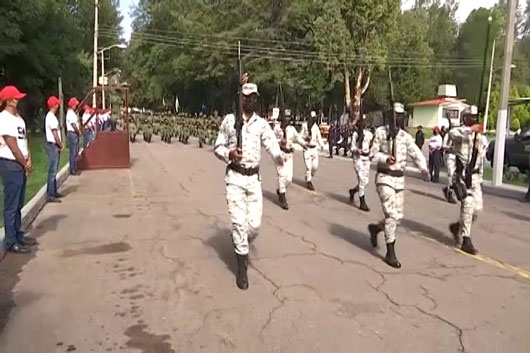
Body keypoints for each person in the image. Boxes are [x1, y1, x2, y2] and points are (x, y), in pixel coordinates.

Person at [214, 81, 284, 290]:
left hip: (254, 180)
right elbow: (217, 146)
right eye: (246, 97)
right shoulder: (229, 121)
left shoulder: (261, 124)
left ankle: (240, 241)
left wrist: (279, 156)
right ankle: (241, 267)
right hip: (235, 178)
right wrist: (229, 154)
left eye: (254, 97)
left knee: (253, 226)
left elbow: (271, 143)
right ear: (240, 98)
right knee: (238, 223)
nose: (250, 100)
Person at [368, 103, 429, 268]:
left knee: (397, 217)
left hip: (399, 180)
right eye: (395, 117)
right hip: (384, 178)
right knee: (391, 215)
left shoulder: (405, 137)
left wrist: (423, 168)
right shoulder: (381, 133)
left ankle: (376, 229)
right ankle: (390, 252)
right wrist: (385, 158)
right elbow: (371, 155)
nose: (397, 121)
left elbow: (416, 153)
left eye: (400, 117)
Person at [0, 86, 37, 253]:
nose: (18, 100)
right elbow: (12, 145)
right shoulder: (4, 119)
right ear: (8, 100)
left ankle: (18, 234)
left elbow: (24, 141)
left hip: (20, 163)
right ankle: (11, 241)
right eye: (15, 98)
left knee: (18, 204)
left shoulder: (18, 119)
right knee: (11, 204)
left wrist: (28, 156)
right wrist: (24, 162)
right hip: (10, 164)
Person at [447, 106, 483, 255]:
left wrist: (480, 177)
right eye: (470, 117)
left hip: (474, 177)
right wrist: (470, 130)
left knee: (476, 210)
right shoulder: (459, 132)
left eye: (475, 117)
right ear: (464, 118)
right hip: (462, 176)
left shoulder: (479, 137)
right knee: (467, 205)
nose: (473, 120)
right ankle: (465, 239)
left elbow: (480, 158)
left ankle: (457, 227)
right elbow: (451, 133)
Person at [273, 112, 306, 210]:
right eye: (284, 118)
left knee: (289, 179)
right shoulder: (277, 129)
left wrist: (304, 144)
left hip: (289, 155)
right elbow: (271, 140)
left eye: (287, 118)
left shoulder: (291, 129)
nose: (286, 120)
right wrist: (279, 143)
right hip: (280, 154)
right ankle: (282, 198)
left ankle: (280, 190)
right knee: (282, 176)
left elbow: (298, 138)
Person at [349, 117, 373, 212]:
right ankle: (362, 202)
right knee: (362, 179)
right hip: (358, 158)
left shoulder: (369, 134)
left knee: (365, 182)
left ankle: (353, 191)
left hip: (366, 159)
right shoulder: (355, 135)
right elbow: (352, 147)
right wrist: (356, 150)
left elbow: (373, 144)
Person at [45, 96, 65, 203]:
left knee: (54, 169)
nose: (58, 106)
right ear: (54, 105)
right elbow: (55, 133)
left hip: (53, 145)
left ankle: (54, 191)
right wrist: (60, 144)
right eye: (57, 104)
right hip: (53, 145)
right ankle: (50, 194)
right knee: (52, 170)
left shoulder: (51, 116)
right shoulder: (51, 117)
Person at [300, 111, 324, 191]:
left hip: (314, 149)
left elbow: (319, 137)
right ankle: (309, 182)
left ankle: (309, 177)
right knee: (308, 167)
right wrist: (305, 139)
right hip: (307, 148)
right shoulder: (304, 125)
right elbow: (300, 136)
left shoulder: (315, 127)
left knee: (315, 167)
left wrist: (321, 145)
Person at [66, 98, 81, 175]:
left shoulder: (72, 113)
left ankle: (74, 167)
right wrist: (78, 132)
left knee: (75, 152)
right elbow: (73, 125)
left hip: (73, 133)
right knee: (73, 152)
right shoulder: (70, 114)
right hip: (73, 133)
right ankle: (73, 169)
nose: (76, 106)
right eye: (75, 104)